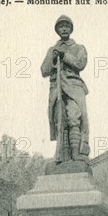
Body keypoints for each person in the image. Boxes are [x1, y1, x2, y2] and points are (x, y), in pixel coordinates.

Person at [41, 15, 90, 163]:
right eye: (61, 26)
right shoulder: (52, 50)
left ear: (71, 29)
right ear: (57, 30)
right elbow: (44, 70)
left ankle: (76, 153)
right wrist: (53, 57)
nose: (64, 29)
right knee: (59, 120)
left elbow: (80, 64)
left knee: (74, 117)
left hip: (74, 87)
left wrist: (65, 56)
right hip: (56, 89)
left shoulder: (78, 48)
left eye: (66, 26)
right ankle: (63, 155)